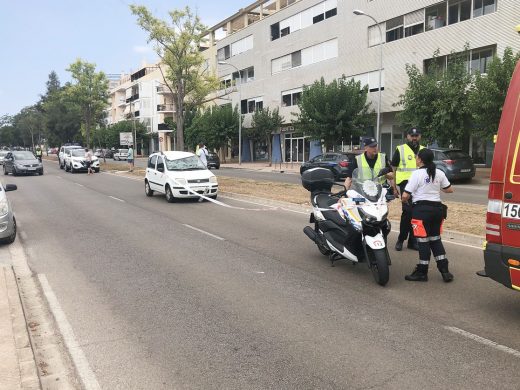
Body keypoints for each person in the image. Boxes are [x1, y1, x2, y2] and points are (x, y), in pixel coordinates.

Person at [401, 148, 454, 282]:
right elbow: (449, 190)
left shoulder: (416, 174)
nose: (416, 159)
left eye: (416, 157)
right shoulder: (439, 173)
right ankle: (445, 271)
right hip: (437, 211)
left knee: (423, 242)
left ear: (420, 159)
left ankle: (422, 272)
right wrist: (434, 186)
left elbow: (405, 195)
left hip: (421, 211)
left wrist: (404, 200)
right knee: (435, 239)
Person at [391, 127, 425, 251]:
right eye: (412, 135)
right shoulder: (400, 149)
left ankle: (412, 240)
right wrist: (394, 187)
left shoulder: (423, 150)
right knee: (407, 212)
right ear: (407, 137)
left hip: (420, 186)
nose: (414, 138)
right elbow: (394, 168)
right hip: (405, 184)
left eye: (416, 135)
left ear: (420, 136)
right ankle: (401, 239)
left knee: (416, 213)